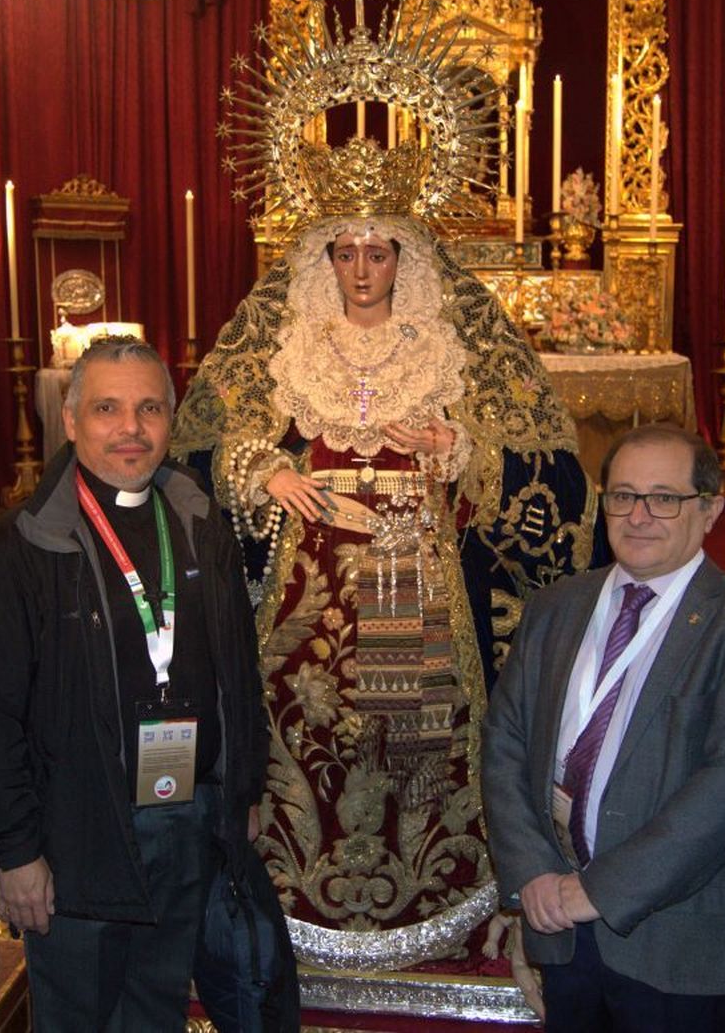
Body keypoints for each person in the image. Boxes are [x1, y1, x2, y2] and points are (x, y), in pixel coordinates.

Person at [172, 210, 603, 963]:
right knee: (308, 727)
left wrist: (457, 447)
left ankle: (435, 885)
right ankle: (295, 886)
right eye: (346, 253)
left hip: (417, 571)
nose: (363, 269)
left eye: (378, 252)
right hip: (310, 581)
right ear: (325, 262)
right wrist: (263, 469)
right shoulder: (290, 344)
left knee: (415, 730)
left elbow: (543, 471)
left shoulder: (446, 344)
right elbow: (208, 444)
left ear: (404, 259)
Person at [0, 337, 268, 1031]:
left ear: (171, 417)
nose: (131, 428)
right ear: (69, 418)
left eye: (149, 408)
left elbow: (240, 670)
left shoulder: (199, 521)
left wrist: (242, 788)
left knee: (156, 1013)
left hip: (185, 822)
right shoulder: (16, 549)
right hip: (76, 840)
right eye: (107, 409)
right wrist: (17, 852)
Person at [483, 423, 725, 1031]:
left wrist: (594, 891)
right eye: (622, 495)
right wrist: (532, 877)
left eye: (664, 498)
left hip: (677, 947)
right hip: (561, 930)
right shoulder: (556, 606)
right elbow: (505, 746)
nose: (639, 515)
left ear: (709, 511)